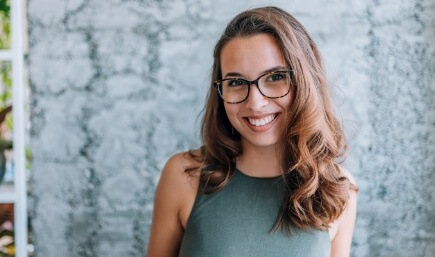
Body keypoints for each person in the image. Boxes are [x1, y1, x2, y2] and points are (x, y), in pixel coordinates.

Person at [147, 6, 358, 257]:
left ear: (305, 82)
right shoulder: (183, 176)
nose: (255, 104)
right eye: (235, 82)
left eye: (276, 77)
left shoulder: (336, 189)